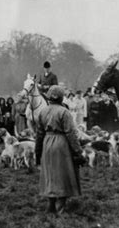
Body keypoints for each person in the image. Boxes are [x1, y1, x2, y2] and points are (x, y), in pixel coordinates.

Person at [35, 85, 84, 214]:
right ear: (61, 98)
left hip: (47, 143)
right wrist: (78, 152)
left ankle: (50, 205)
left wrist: (37, 152)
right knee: (62, 174)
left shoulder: (42, 112)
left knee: (50, 173)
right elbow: (70, 134)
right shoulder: (64, 112)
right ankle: (60, 207)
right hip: (61, 144)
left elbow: (39, 134)